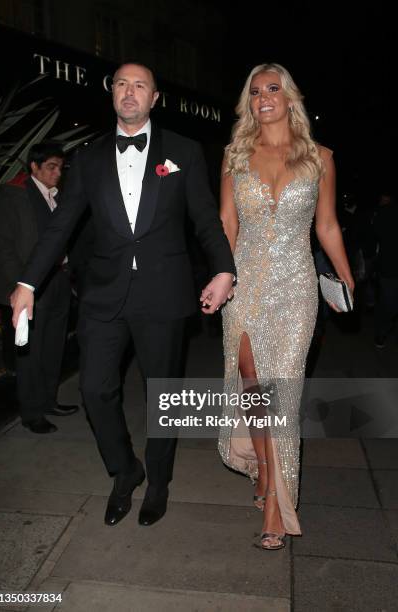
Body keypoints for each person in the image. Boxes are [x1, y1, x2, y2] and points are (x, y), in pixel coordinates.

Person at [10, 62, 235, 527]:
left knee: (163, 397)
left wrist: (224, 270)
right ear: (111, 94)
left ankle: (157, 480)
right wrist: (28, 282)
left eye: (140, 86)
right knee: (95, 388)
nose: (129, 92)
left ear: (155, 98)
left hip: (164, 293)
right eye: (121, 85)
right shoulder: (89, 158)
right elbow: (61, 227)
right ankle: (124, 469)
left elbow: (206, 220)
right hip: (104, 296)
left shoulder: (183, 151)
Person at [218, 63, 354, 550]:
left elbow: (328, 226)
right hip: (245, 286)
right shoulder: (235, 156)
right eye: (255, 92)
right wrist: (219, 279)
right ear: (248, 103)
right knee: (253, 384)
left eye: (273, 89)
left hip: (295, 289)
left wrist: (345, 274)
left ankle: (276, 506)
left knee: (283, 395)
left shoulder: (320, 158)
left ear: (290, 97)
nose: (263, 98)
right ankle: (263, 470)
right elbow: (227, 226)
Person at [0, 143, 79, 434]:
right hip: (30, 286)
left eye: (60, 167)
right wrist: (21, 283)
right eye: (51, 167)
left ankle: (48, 400)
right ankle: (31, 412)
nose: (57, 173)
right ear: (34, 167)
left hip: (59, 281)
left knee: (54, 346)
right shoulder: (13, 196)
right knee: (29, 351)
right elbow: (1, 245)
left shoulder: (59, 197)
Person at [373, 191, 398, 348]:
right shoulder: (384, 213)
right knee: (389, 302)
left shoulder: (384, 213)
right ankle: (380, 332)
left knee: (388, 302)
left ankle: (382, 330)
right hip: (388, 267)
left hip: (388, 266)